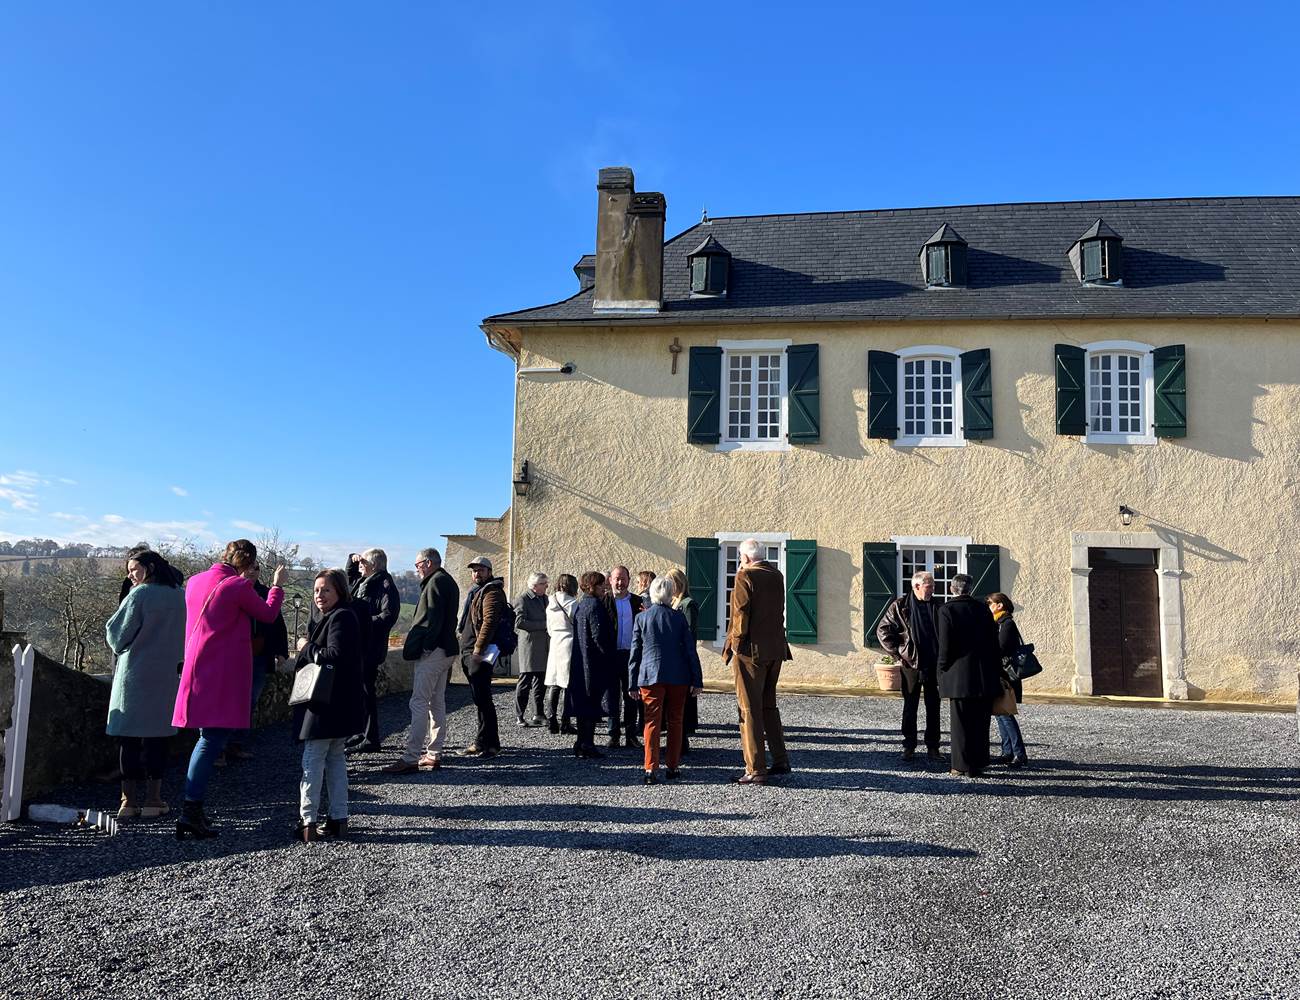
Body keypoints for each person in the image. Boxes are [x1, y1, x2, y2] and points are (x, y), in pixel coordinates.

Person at [173, 539, 287, 839]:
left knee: (206, 738)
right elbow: (267, 614)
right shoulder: (236, 586)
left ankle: (193, 808)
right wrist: (276, 586)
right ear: (247, 564)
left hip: (197, 668)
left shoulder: (195, 581)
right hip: (222, 671)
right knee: (211, 740)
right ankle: (190, 810)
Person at [105, 550, 186, 820]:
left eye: (134, 569)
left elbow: (117, 637)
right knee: (157, 740)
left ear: (149, 568)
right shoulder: (179, 595)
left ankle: (128, 802)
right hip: (166, 677)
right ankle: (154, 800)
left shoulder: (138, 595)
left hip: (135, 676)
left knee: (128, 739)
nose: (130, 574)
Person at [291, 568, 365, 842]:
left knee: (313, 760)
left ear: (339, 592)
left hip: (327, 704)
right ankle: (338, 818)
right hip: (340, 702)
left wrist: (305, 646)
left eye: (326, 590)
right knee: (335, 760)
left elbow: (333, 656)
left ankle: (307, 820)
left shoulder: (341, 618)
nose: (319, 595)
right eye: (317, 590)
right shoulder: (340, 616)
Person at [722, 539, 792, 785]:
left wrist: (736, 646)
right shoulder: (776, 575)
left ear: (746, 558)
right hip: (775, 648)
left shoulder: (744, 576)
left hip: (751, 650)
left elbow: (740, 613)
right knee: (768, 706)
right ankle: (780, 759)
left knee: (749, 708)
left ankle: (755, 768)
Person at [385, 548, 459, 774]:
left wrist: (426, 647)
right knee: (436, 702)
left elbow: (433, 619)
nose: (416, 569)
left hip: (434, 651)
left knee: (418, 702)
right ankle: (434, 754)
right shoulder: (446, 580)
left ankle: (410, 757)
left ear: (427, 563)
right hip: (446, 649)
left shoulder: (435, 582)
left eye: (417, 565)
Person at [628, 576, 703, 784]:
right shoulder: (678, 618)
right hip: (678, 675)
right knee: (675, 721)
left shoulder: (642, 618)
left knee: (651, 721)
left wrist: (632, 682)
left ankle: (650, 768)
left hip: (650, 675)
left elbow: (635, 653)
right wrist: (697, 679)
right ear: (671, 594)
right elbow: (690, 650)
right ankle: (673, 766)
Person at [222, 559, 290, 765]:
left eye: (257, 568)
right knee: (229, 701)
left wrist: (281, 651)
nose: (253, 571)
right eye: (249, 567)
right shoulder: (232, 591)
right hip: (234, 656)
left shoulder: (265, 592)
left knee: (249, 701)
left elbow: (277, 621)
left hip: (259, 656)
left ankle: (236, 744)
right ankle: (220, 747)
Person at [936, 573, 1002, 778]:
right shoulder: (982, 609)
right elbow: (993, 642)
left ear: (951, 589)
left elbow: (945, 646)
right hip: (983, 673)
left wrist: (941, 670)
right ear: (970, 589)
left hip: (958, 674)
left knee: (960, 723)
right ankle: (978, 763)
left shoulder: (947, 610)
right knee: (980, 723)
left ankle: (960, 765)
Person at [877, 571, 944, 763]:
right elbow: (883, 630)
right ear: (916, 586)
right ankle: (909, 746)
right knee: (910, 706)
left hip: (934, 663)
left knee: (934, 706)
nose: (932, 589)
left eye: (932, 585)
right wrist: (898, 654)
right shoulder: (900, 606)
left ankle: (933, 747)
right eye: (928, 586)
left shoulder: (938, 605)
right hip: (911, 664)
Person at [349, 548, 401, 752]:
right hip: (358, 646)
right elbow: (350, 576)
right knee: (358, 694)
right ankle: (359, 733)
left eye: (363, 561)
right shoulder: (364, 582)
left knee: (366, 693)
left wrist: (360, 622)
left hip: (370, 648)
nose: (360, 564)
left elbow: (389, 615)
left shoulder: (385, 584)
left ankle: (371, 738)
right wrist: (351, 559)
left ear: (374, 565)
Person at [456, 556, 505, 758]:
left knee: (483, 699)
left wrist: (477, 650)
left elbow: (489, 622)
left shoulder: (491, 592)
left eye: (481, 570)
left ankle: (489, 745)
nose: (477, 573)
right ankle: (484, 742)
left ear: (489, 572)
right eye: (474, 570)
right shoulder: (477, 591)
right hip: (471, 650)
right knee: (480, 699)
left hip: (479, 653)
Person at [569, 572, 613, 758]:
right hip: (593, 663)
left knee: (583, 704)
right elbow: (598, 637)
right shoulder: (595, 606)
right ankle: (587, 743)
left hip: (581, 662)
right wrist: (608, 655)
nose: (605, 588)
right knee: (591, 704)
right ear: (591, 587)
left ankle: (581, 742)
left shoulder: (582, 605)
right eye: (601, 585)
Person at [601, 565, 643, 749]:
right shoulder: (604, 601)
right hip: (611, 656)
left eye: (623, 579)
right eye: (617, 579)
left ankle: (631, 735)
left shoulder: (637, 601)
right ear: (610, 580)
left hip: (631, 656)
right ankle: (613, 735)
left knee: (632, 696)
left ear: (629, 580)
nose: (620, 582)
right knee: (612, 697)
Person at [988, 592, 1029, 768]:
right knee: (1000, 713)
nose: (988, 607)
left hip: (1005, 676)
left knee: (1005, 714)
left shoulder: (1006, 624)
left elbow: (1001, 648)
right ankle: (1007, 751)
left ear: (1000, 605)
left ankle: (1019, 754)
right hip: (1000, 674)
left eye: (991, 604)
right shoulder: (999, 623)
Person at [667, 568, 700, 754]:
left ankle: (682, 740)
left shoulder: (688, 604)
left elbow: (689, 633)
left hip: (683, 658)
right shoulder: (674, 603)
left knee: (684, 700)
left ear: (678, 584)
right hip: (673, 658)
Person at [544, 573, 579, 735]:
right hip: (569, 643)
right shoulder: (573, 604)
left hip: (555, 643)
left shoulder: (550, 603)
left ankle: (552, 719)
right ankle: (566, 721)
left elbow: (549, 629)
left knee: (554, 683)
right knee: (568, 685)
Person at [514, 572, 549, 727]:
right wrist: (544, 625)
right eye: (543, 583)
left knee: (540, 683)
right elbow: (519, 622)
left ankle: (538, 714)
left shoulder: (545, 599)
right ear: (535, 586)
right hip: (529, 646)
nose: (546, 586)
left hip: (543, 646)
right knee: (525, 682)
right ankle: (519, 715)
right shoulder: (523, 599)